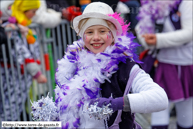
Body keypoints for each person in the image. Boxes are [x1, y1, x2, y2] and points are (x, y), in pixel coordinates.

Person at [31, 2, 168, 128]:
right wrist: (54, 114)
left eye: (102, 31)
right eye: (89, 32)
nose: (96, 37)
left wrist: (114, 104)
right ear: (82, 36)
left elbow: (160, 99)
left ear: (113, 34)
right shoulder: (73, 65)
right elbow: (75, 113)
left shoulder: (125, 67)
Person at [135, 0, 193, 129]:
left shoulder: (186, 3)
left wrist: (158, 40)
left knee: (186, 110)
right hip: (163, 63)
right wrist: (145, 38)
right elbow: (141, 26)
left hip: (186, 63)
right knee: (159, 104)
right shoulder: (151, 3)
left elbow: (190, 33)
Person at [0, 0, 47, 121]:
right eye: (33, 11)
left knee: (16, 105)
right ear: (24, 10)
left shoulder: (24, 27)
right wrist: (36, 72)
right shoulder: (12, 28)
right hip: (13, 74)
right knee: (9, 106)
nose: (34, 14)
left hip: (22, 76)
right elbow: (20, 51)